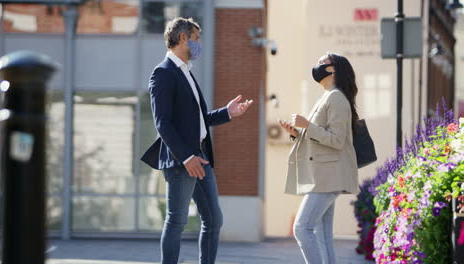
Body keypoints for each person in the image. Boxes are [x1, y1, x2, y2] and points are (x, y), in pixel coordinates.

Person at [141, 17, 253, 264]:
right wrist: (186, 157)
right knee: (177, 220)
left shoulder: (186, 73)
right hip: (183, 161)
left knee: (214, 220)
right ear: (183, 38)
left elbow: (199, 120)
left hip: (201, 157)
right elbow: (163, 123)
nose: (198, 44)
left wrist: (228, 112)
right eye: (196, 39)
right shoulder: (163, 72)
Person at [279, 52, 359, 264]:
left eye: (322, 63)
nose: (317, 66)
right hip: (323, 176)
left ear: (333, 69)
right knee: (323, 237)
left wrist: (308, 125)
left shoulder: (336, 98)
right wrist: (297, 133)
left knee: (301, 228)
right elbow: (320, 137)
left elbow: (337, 140)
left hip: (327, 177)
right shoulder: (328, 96)